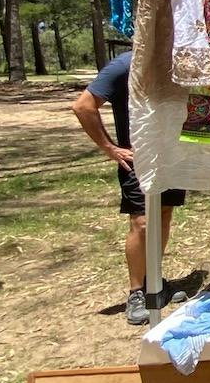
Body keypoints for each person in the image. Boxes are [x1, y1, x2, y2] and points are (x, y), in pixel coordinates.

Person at [72, 51, 186, 325]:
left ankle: (154, 283)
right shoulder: (125, 64)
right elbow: (83, 106)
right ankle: (136, 292)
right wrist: (110, 148)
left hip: (173, 156)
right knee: (143, 222)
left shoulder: (180, 61)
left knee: (164, 215)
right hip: (139, 160)